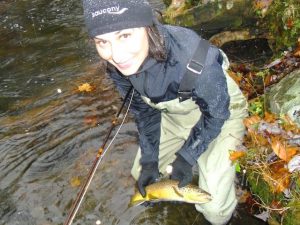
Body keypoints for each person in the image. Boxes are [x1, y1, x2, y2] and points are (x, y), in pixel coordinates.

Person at [82, 0, 248, 224]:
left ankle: (210, 163)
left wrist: (187, 157)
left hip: (220, 114)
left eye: (125, 36)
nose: (116, 55)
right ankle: (199, 164)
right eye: (102, 42)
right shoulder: (117, 66)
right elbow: (145, 113)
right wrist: (149, 161)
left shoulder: (194, 59)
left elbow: (217, 114)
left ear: (147, 25)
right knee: (140, 174)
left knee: (214, 211)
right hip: (174, 117)